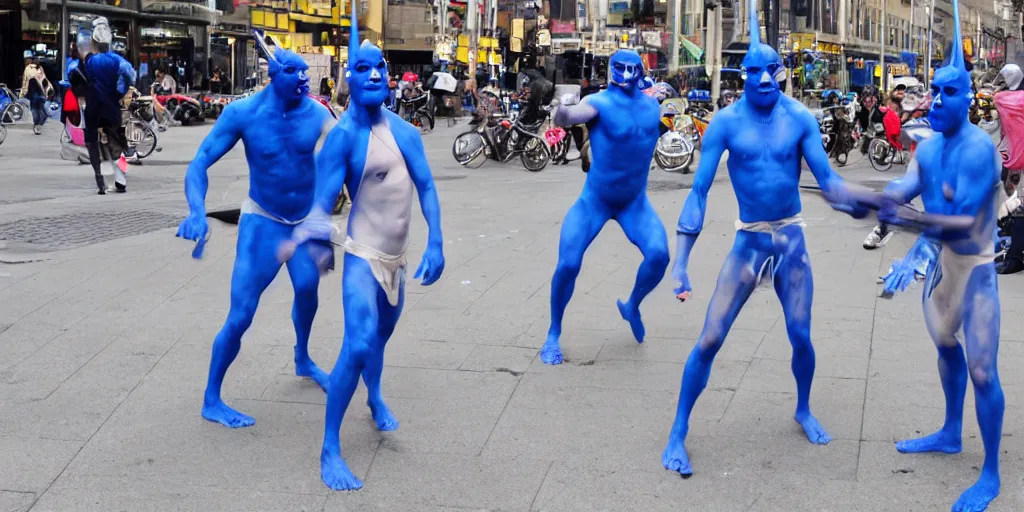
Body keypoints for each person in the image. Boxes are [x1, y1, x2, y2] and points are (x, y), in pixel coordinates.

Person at [662, 0, 870, 477]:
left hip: (791, 241)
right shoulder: (726, 123)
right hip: (750, 242)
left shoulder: (799, 118)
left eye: (769, 70)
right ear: (741, 74)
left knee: (801, 336)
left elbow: (826, 178)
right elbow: (697, 193)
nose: (761, 79)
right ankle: (678, 430)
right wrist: (681, 262)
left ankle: (803, 408)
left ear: (780, 72)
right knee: (710, 337)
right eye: (752, 71)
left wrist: (861, 200)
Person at [283, 8, 444, 491]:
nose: (374, 74)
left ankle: (373, 397)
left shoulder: (407, 132)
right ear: (348, 77)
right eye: (363, 68)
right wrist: (316, 243)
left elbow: (428, 187)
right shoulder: (343, 139)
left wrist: (436, 240)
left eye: (381, 68)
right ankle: (329, 447)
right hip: (362, 256)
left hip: (398, 260)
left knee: (379, 339)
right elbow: (320, 202)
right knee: (356, 344)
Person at [868, 2, 1004, 509]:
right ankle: (950, 431)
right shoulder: (926, 148)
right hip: (942, 276)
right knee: (946, 349)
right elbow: (905, 186)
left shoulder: (977, 151)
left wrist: (912, 236)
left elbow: (963, 219)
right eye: (934, 91)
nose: (937, 100)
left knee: (984, 371)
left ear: (968, 98)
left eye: (950, 91)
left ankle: (990, 472)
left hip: (976, 273)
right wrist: (879, 200)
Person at [174, 40, 335, 429]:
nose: (304, 78)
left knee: (309, 290)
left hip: (304, 222)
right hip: (263, 220)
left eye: (305, 72)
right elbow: (199, 163)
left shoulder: (318, 113)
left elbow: (348, 158)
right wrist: (197, 211)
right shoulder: (242, 113)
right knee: (241, 315)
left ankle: (302, 357)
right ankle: (212, 398)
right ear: (272, 74)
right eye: (294, 72)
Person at [539, 49, 668, 365]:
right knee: (568, 264)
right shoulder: (600, 103)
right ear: (611, 70)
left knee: (659, 256)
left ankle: (632, 305)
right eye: (620, 68)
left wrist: (660, 91)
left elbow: (662, 99)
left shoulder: (652, 105)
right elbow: (572, 116)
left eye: (632, 68)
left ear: (640, 71)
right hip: (594, 201)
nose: (626, 74)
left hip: (634, 203)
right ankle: (553, 333)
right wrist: (562, 111)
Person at [80, 17, 136, 194]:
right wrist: (120, 90)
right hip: (112, 107)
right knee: (116, 143)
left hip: (94, 107)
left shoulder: (90, 61)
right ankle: (121, 179)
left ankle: (100, 179)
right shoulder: (118, 61)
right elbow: (130, 77)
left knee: (94, 142)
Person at [21, 57, 53, 135]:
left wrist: (22, 93)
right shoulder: (40, 69)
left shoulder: (28, 69)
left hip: (33, 92)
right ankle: (38, 125)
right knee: (42, 110)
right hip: (41, 93)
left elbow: (25, 82)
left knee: (35, 109)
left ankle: (36, 125)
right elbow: (45, 80)